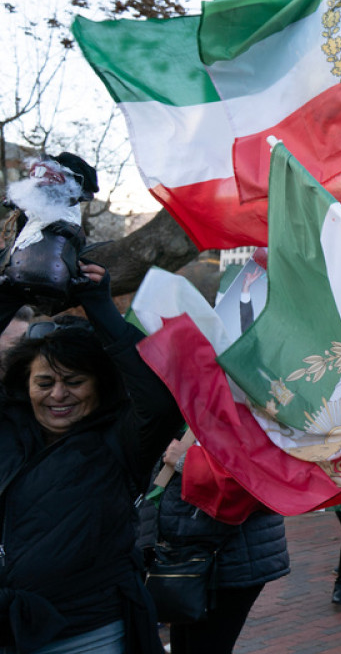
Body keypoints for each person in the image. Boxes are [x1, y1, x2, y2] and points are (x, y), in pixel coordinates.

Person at [0, 262, 180, 653]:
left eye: (74, 382)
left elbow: (160, 399)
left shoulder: (121, 439)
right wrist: (10, 293)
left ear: (100, 387)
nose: (58, 395)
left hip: (88, 633)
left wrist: (99, 306)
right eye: (44, 382)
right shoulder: (9, 429)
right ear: (24, 385)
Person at [157, 437, 290, 654]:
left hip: (229, 557)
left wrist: (185, 460)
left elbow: (246, 481)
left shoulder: (254, 411)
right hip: (199, 555)